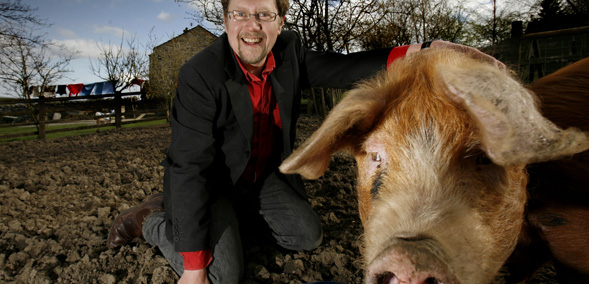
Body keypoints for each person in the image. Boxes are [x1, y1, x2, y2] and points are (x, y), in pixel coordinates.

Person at [107, 0, 502, 283]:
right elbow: (188, 167)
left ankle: (233, 224)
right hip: (211, 186)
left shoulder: (290, 52)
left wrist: (422, 51)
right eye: (240, 14)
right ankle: (151, 221)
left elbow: (343, 67)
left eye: (264, 14)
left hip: (261, 179)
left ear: (280, 20)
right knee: (221, 274)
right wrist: (193, 268)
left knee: (307, 236)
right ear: (226, 20)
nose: (251, 26)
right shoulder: (199, 74)